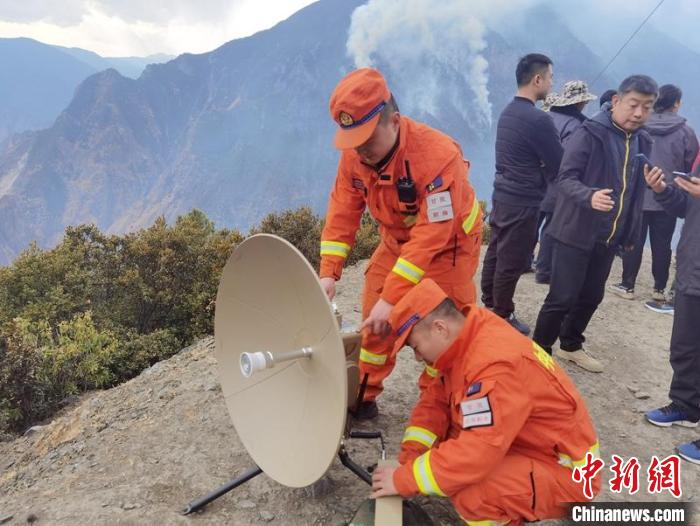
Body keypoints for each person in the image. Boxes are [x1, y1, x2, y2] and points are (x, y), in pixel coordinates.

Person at [319, 68, 483, 419]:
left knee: (446, 329)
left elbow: (431, 236)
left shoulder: (437, 156)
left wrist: (392, 299)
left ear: (394, 121)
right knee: (374, 323)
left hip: (449, 249)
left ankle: (440, 407)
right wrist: (328, 274)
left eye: (367, 140)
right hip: (395, 242)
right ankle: (363, 394)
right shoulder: (355, 154)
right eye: (353, 142)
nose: (360, 150)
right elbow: (343, 208)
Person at [370, 279, 601, 524]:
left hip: (569, 473)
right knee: (452, 448)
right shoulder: (468, 334)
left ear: (439, 328)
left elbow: (475, 453)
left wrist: (405, 480)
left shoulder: (494, 366)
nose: (417, 357)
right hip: (527, 444)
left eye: (415, 346)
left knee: (472, 492)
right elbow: (434, 404)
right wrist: (408, 461)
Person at [532, 75, 659, 372]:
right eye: (633, 104)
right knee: (562, 297)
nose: (639, 113)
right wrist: (588, 196)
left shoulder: (643, 140)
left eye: (647, 107)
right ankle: (538, 351)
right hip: (574, 231)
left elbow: (633, 191)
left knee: (592, 295)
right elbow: (564, 178)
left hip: (609, 235)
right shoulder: (590, 133)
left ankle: (571, 345)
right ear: (616, 101)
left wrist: (631, 229)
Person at [481, 53, 563, 335]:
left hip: (501, 194)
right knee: (512, 258)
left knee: (496, 247)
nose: (552, 83)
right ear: (537, 79)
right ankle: (501, 314)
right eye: (550, 77)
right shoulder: (539, 120)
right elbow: (558, 164)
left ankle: (489, 301)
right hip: (524, 199)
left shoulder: (508, 112)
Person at [609, 84, 698, 302]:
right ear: (675, 104)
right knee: (662, 244)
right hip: (668, 196)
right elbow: (691, 167)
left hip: (639, 193)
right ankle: (659, 288)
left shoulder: (641, 125)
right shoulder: (685, 132)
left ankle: (627, 285)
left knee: (634, 240)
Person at [644, 157, 700, 464]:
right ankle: (686, 404)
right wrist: (663, 190)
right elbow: (687, 206)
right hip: (693, 265)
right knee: (685, 346)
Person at [536, 81, 597, 285]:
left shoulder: (547, 116)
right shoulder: (576, 126)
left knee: (532, 222)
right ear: (580, 103)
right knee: (551, 226)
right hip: (557, 181)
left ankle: (522, 261)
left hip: (536, 179)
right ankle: (544, 270)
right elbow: (566, 156)